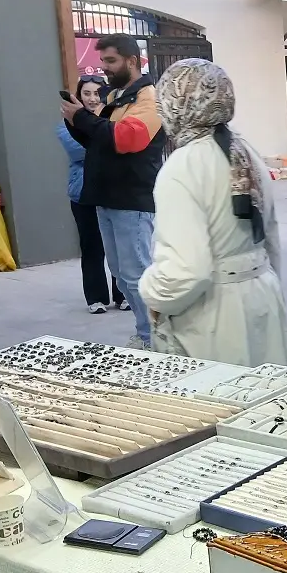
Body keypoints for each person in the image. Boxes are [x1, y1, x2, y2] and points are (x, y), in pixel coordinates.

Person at [138, 60, 287, 366]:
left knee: (221, 393)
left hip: (214, 311)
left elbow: (186, 271)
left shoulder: (182, 166)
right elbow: (270, 237)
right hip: (262, 294)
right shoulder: (245, 152)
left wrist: (154, 296)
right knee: (267, 391)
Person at [62, 34, 167, 349]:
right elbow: (100, 142)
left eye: (111, 61)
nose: (104, 68)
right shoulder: (117, 97)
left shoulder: (149, 98)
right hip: (107, 197)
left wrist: (82, 118)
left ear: (131, 61)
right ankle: (145, 333)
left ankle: (157, 340)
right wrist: (75, 120)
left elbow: (126, 139)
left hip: (131, 199)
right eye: (103, 61)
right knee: (122, 276)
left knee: (136, 275)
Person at [57, 74, 126, 315]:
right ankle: (96, 298)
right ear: (78, 96)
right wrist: (104, 137)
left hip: (112, 191)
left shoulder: (114, 118)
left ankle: (122, 295)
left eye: (97, 93)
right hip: (82, 194)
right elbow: (79, 150)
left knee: (118, 247)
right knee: (92, 247)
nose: (92, 98)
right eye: (86, 93)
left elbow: (120, 146)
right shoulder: (66, 124)